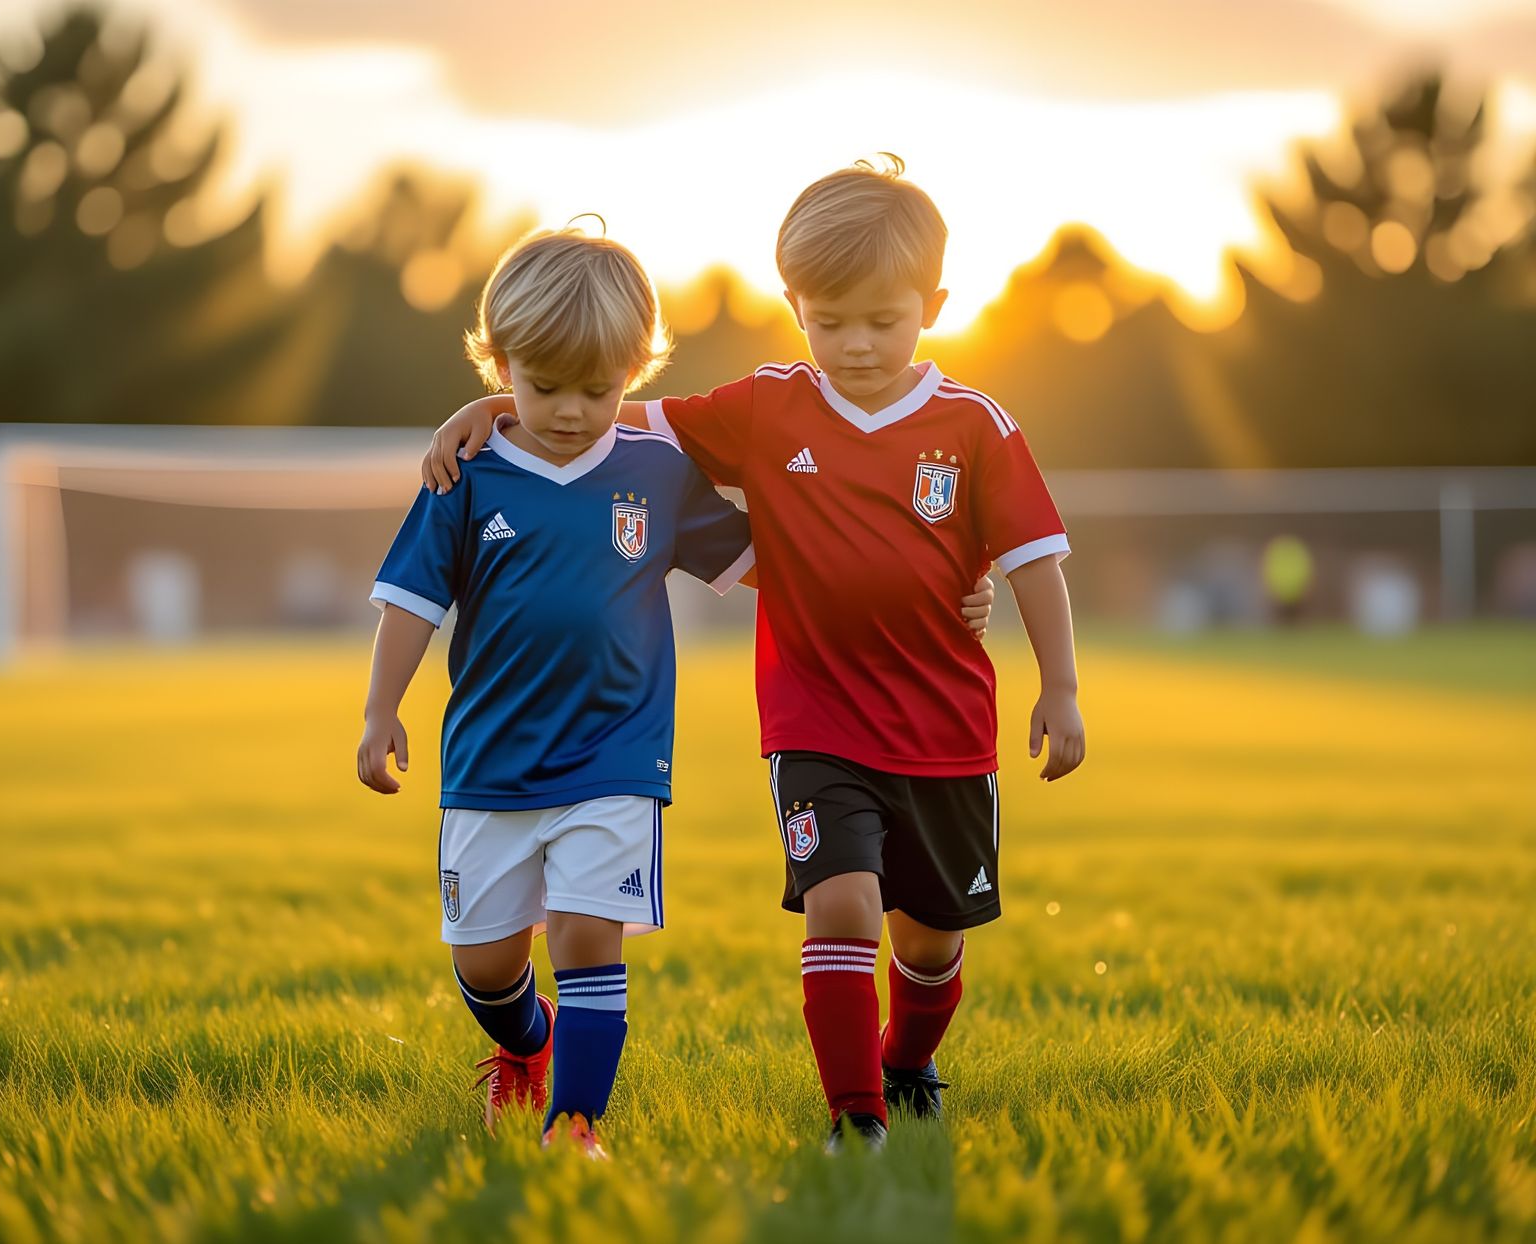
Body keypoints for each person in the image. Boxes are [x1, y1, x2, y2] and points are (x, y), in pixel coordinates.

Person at [421, 157, 1080, 1151]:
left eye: (882, 320)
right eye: (829, 319)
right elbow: (606, 415)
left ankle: (907, 1059)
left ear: (935, 306)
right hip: (815, 722)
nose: (854, 343)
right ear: (795, 306)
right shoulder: (766, 406)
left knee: (931, 943)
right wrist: (491, 411)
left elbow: (1032, 557)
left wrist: (1060, 686)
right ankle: (855, 1120)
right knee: (844, 906)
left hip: (947, 727)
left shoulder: (974, 426)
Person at [357, 226, 755, 1158]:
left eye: (598, 388)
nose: (572, 410)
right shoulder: (466, 473)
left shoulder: (658, 473)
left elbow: (762, 560)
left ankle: (575, 1127)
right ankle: (525, 1049)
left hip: (617, 755)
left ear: (636, 370)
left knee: (587, 937)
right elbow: (412, 602)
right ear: (501, 366)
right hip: (490, 763)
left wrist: (907, 567)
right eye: (542, 387)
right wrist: (381, 712)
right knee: (486, 967)